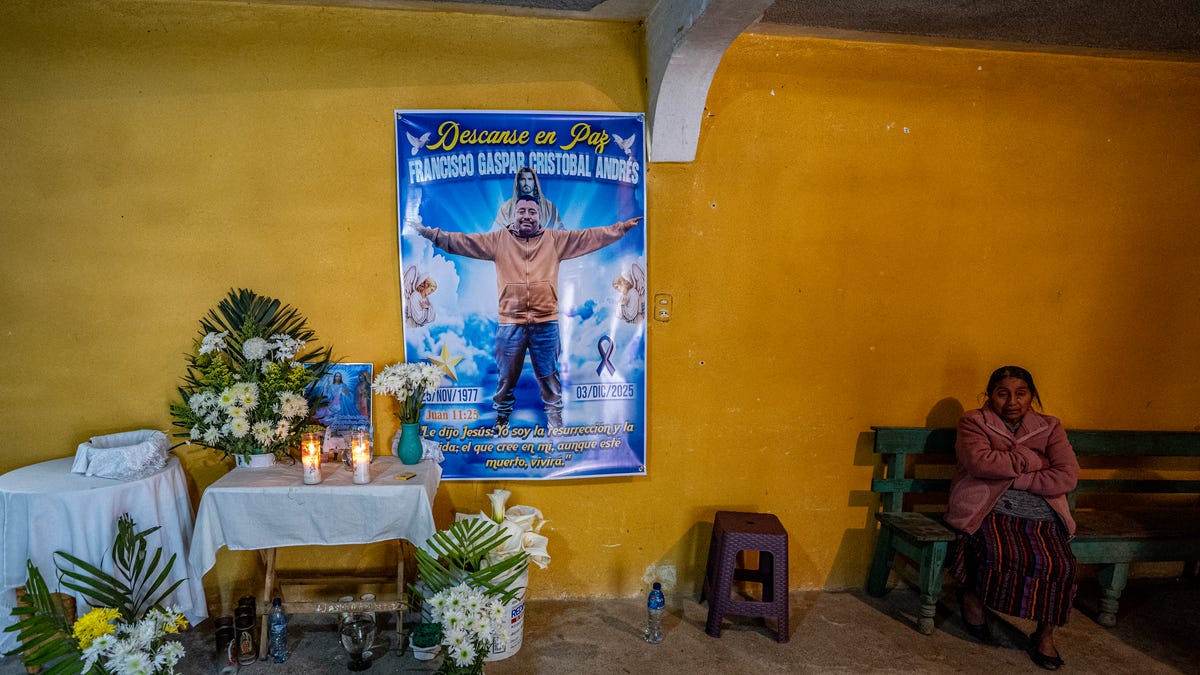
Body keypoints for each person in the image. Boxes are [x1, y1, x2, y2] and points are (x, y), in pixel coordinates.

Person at [413, 195, 641, 431]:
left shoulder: (555, 240)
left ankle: (555, 424)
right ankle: (501, 421)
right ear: (514, 214)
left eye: (532, 212)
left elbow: (589, 237)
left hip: (546, 324)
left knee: (549, 377)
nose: (527, 216)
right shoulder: (498, 240)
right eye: (522, 211)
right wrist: (430, 234)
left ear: (539, 216)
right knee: (506, 379)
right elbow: (462, 242)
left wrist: (621, 228)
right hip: (510, 323)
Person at [946, 366, 1080, 671]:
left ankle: (1044, 635)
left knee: (1061, 566)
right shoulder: (974, 421)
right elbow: (980, 463)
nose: (1012, 402)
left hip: (1041, 512)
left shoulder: (1049, 426)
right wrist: (1035, 460)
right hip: (989, 508)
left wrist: (1016, 477)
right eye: (1002, 393)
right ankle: (972, 598)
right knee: (996, 552)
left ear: (1032, 396)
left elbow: (1067, 475)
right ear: (989, 395)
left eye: (1021, 393)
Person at [492, 167, 562, 231]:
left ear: (535, 182)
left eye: (530, 179)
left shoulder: (549, 207)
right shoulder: (506, 208)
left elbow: (560, 233)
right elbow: (495, 233)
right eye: (522, 179)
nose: (526, 183)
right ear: (518, 182)